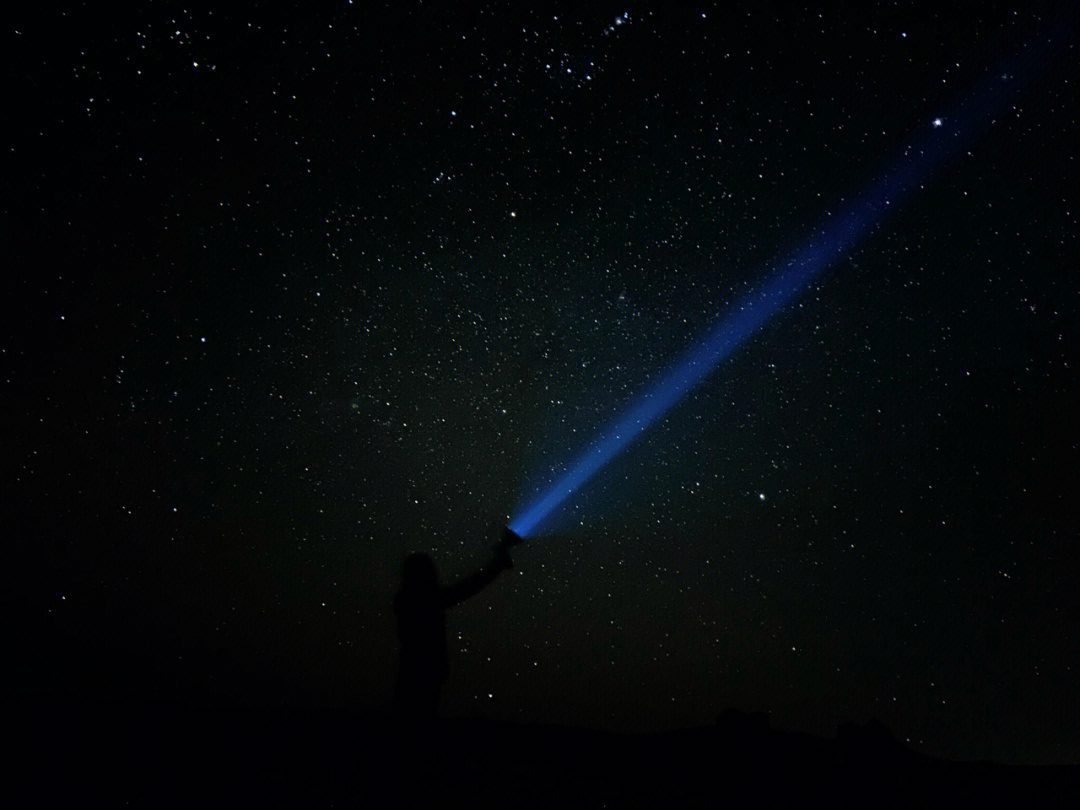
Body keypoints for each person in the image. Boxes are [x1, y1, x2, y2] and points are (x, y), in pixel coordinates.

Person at [392, 528, 517, 724]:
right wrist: (498, 562)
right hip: (423, 672)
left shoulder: (409, 600)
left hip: (418, 671)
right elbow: (467, 587)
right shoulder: (421, 600)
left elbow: (465, 588)